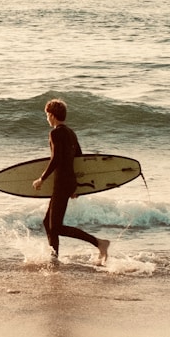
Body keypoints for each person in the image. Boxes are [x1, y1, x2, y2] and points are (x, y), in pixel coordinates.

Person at [32, 99, 109, 265]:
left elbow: (56, 159)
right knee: (48, 223)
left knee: (56, 227)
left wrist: (41, 179)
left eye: (47, 115)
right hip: (68, 182)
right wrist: (76, 186)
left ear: (52, 115)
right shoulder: (71, 133)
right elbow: (79, 158)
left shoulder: (55, 133)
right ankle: (54, 258)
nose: (46, 118)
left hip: (61, 183)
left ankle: (99, 243)